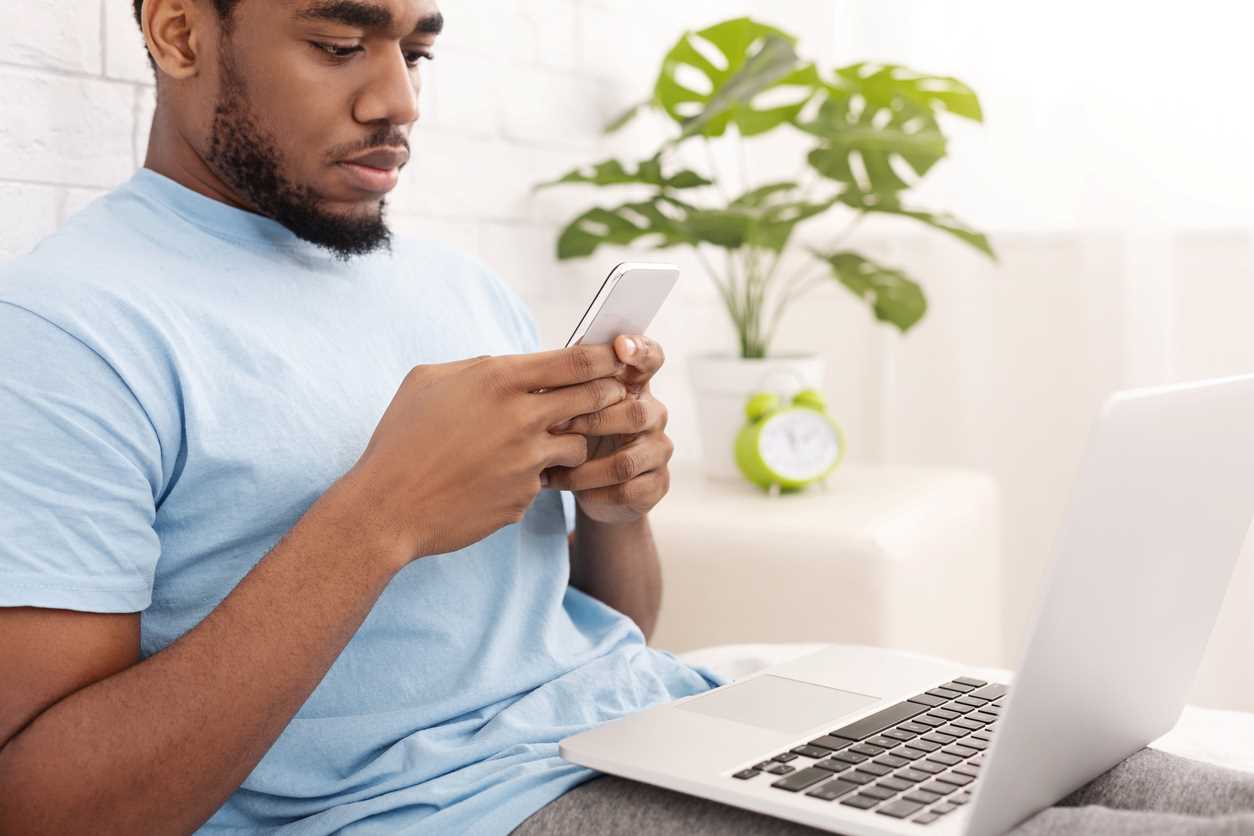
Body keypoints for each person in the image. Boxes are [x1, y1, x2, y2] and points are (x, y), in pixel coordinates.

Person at [2, 2, 1252, 835]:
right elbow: (47, 802)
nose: (400, 100)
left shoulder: (447, 285)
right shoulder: (69, 327)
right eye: (340, 43)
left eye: (417, 50)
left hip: (656, 722)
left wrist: (612, 506)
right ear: (176, 30)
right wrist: (380, 515)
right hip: (462, 810)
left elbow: (596, 631)